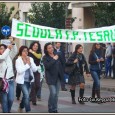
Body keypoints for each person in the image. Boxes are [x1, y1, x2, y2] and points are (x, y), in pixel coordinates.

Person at [43, 42, 64, 113]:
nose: (51, 49)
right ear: (46, 50)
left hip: (58, 77)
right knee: (53, 93)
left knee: (56, 94)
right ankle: (50, 108)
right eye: (49, 48)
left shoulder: (57, 55)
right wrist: (54, 59)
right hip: (50, 77)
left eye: (52, 47)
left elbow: (62, 63)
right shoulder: (45, 57)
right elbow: (47, 66)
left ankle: (55, 108)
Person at [15, 46, 38, 112]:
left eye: (27, 51)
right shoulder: (18, 60)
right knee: (27, 95)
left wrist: (30, 63)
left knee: (25, 96)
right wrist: (27, 65)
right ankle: (28, 111)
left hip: (29, 81)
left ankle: (21, 106)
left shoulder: (30, 58)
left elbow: (35, 69)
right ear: (21, 52)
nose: (26, 52)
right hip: (21, 81)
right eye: (24, 51)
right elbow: (19, 71)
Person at [0, 38, 17, 113]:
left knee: (11, 99)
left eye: (4, 48)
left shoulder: (9, 56)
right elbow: (3, 57)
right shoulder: (1, 57)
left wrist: (13, 43)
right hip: (2, 82)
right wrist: (8, 49)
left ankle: (7, 111)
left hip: (10, 81)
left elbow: (15, 51)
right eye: (1, 49)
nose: (2, 50)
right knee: (4, 100)